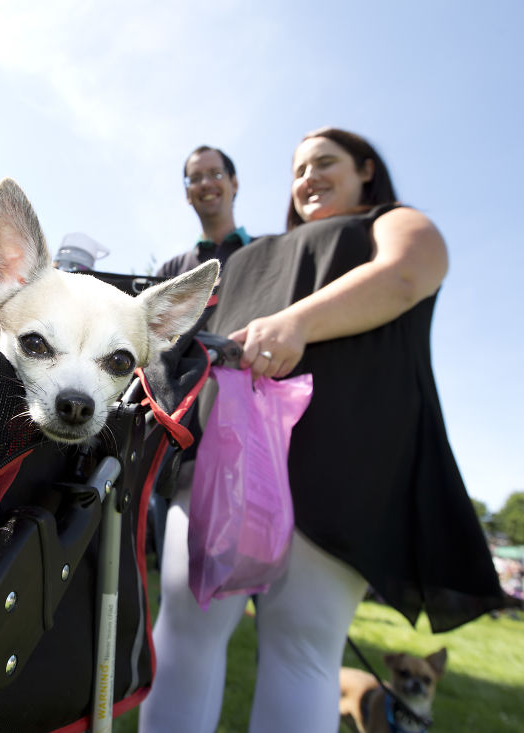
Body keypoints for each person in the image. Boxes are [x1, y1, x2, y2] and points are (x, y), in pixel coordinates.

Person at [138, 128, 506, 733]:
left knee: (303, 651)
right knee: (185, 630)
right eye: (298, 169)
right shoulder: (261, 252)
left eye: (324, 162)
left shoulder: (391, 221)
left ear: (366, 170)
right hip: (224, 463)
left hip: (338, 467)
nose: (307, 177)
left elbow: (409, 273)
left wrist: (295, 322)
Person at [156, 146, 252, 278]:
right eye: (195, 178)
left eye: (216, 174)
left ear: (234, 183)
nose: (205, 183)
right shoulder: (170, 273)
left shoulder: (276, 253)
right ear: (187, 194)